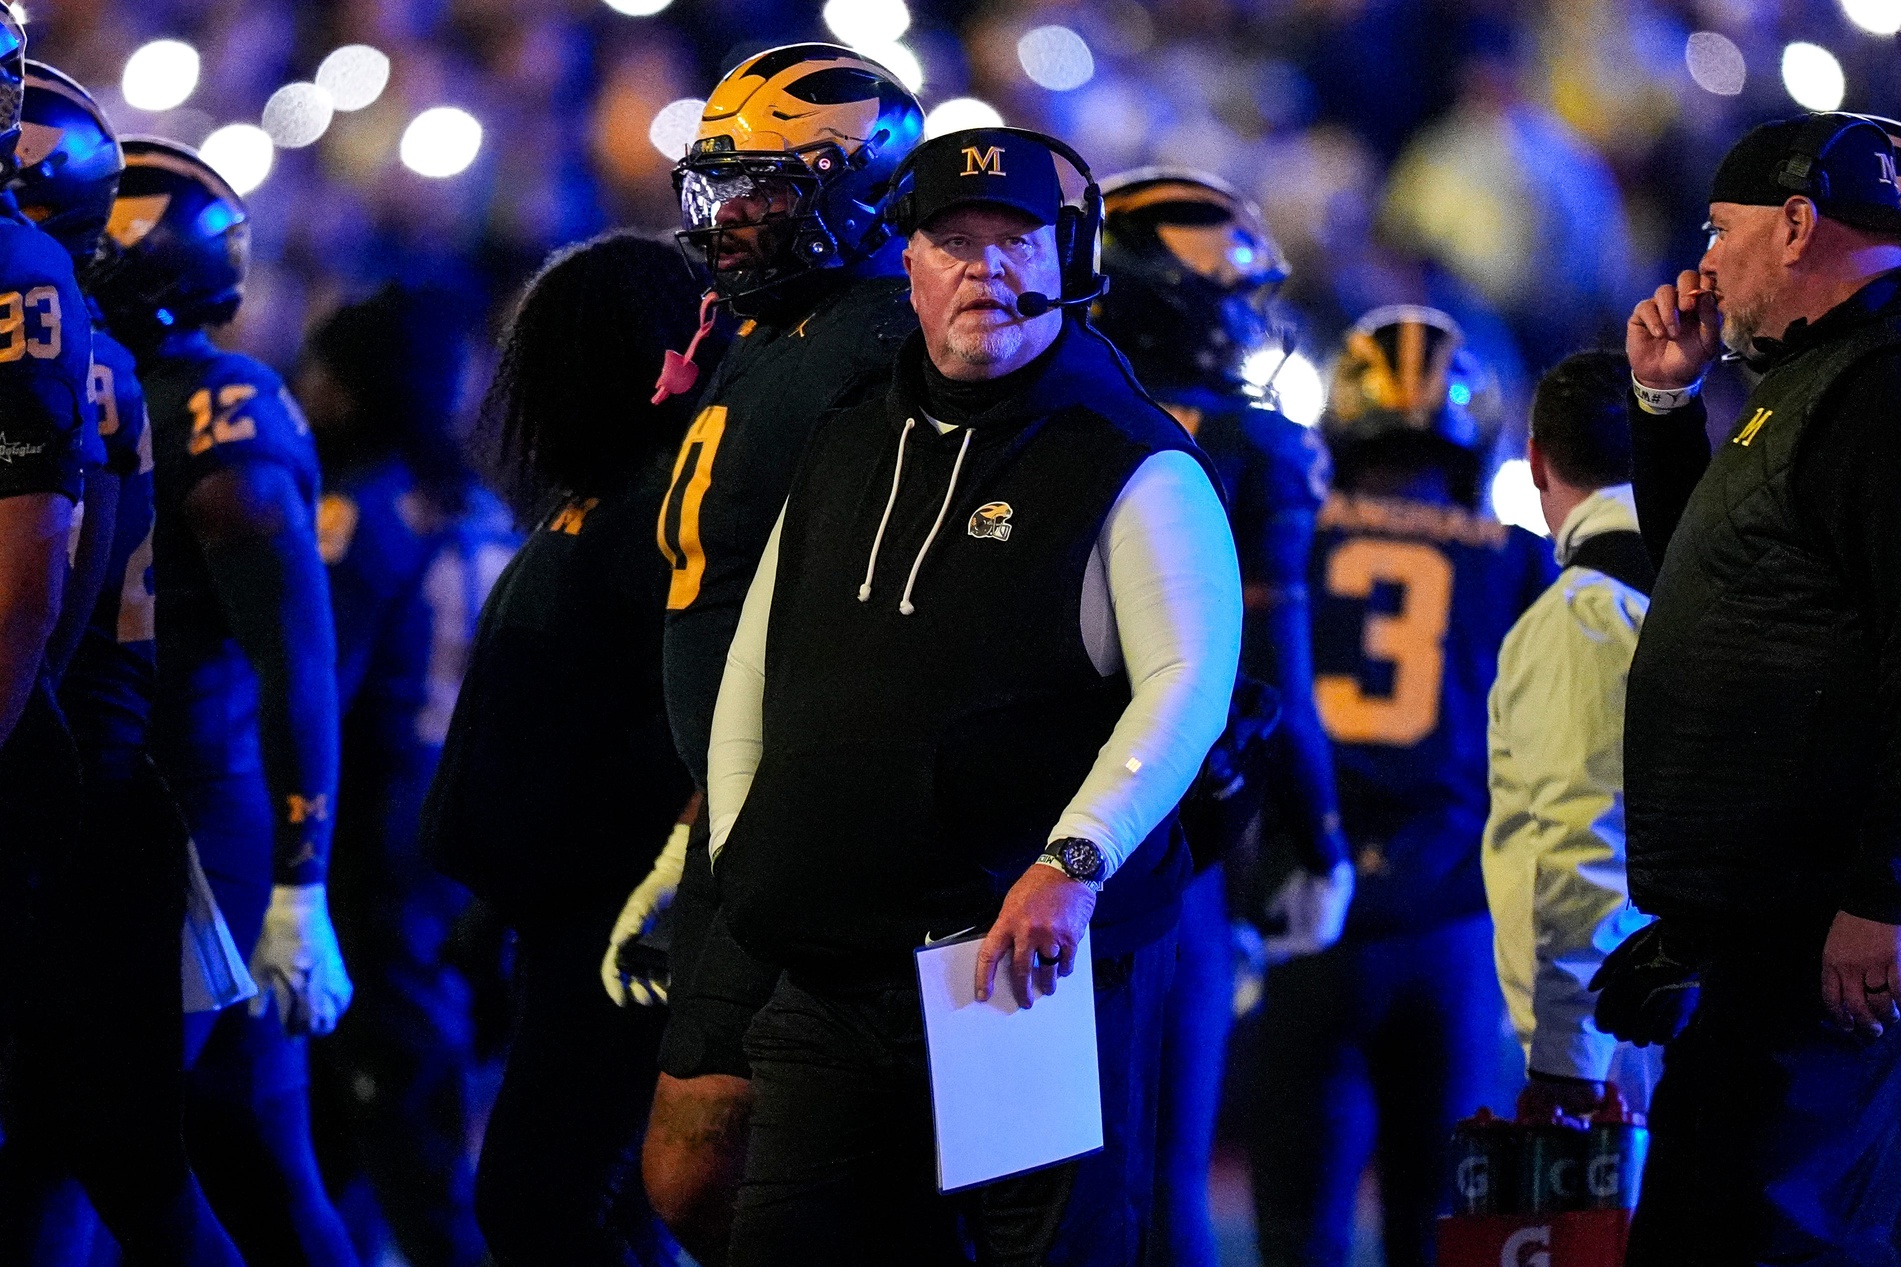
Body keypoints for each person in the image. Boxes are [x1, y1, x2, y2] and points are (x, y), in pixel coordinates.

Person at [706, 125, 1240, 1266]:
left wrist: (1075, 859)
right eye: (954, 241)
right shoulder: (846, 434)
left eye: (1017, 241)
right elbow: (755, 660)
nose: (984, 269)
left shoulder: (1131, 456)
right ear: (908, 263)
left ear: (1067, 259)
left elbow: (1188, 684)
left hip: (1008, 975)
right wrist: (740, 853)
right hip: (829, 966)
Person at [604, 44, 923, 1265]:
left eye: (766, 188)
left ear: (863, 188)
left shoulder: (880, 342)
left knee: (718, 1171)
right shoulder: (771, 326)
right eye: (720, 186)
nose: (729, 215)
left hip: (810, 816)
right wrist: (692, 822)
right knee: (710, 1176)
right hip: (735, 808)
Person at [1602, 112, 1901, 1265]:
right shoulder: (1821, 376)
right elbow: (1720, 578)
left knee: (1767, 1238)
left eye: (1719, 231)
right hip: (1768, 929)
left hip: (1819, 935)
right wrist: (1663, 406)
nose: (1703, 266)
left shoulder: (1874, 386)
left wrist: (1880, 894)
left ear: (1793, 223)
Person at [91, 138, 359, 1267]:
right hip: (151, 809)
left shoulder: (218, 409)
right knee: (246, 1146)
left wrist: (301, 878)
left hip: (200, 821)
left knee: (121, 1136)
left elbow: (298, 657)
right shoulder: (124, 387)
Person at [421, 232, 712, 1266]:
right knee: (597, 1203)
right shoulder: (602, 501)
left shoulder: (661, 512)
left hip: (617, 916)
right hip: (563, 913)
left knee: (538, 1199)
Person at [0, 60, 247, 1266]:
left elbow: (36, 593)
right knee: (87, 1171)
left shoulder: (41, 312)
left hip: (72, 784)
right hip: (91, 771)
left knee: (134, 1173)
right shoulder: (86, 338)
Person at [1247, 306, 1553, 1267]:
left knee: (1296, 1230)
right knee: (1434, 1228)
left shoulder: (1290, 532)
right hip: (1447, 913)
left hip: (1306, 899)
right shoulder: (1513, 557)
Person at [1095, 167, 1350, 1267]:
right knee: (1160, 1177)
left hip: (1009, 823)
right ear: (1166, 295)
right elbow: (1273, 665)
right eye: (1230, 292)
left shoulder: (1044, 397)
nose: (1252, 319)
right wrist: (1315, 835)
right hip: (1159, 832)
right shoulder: (1250, 442)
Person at [302, 284, 514, 1267]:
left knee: (392, 1103)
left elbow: (318, 681)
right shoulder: (481, 508)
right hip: (464, 819)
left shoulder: (361, 511)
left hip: (379, 827)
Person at [1480, 349, 1659, 1121]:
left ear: (1534, 461)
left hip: (1626, 1036)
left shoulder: (1582, 616)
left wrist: (1567, 1055)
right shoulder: (1722, 576)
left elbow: (1585, 841)